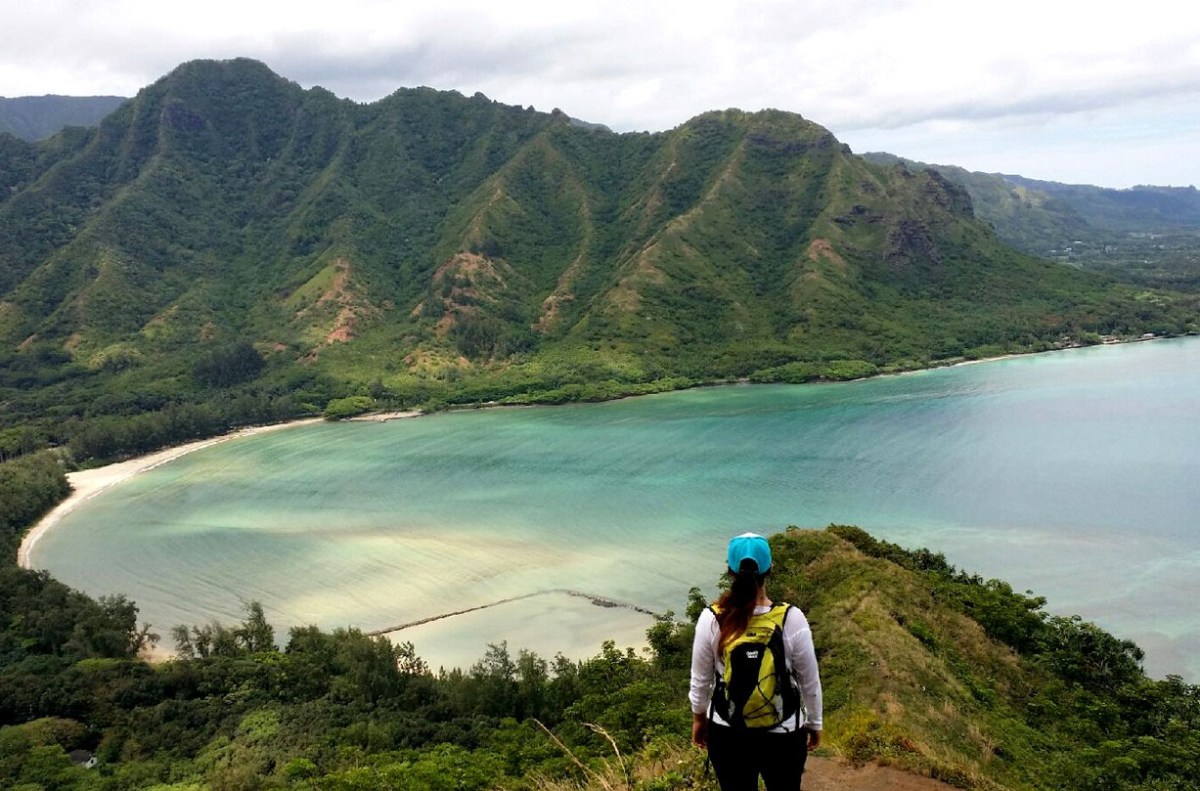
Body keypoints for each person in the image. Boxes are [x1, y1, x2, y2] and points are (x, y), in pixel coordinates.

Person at [689, 532, 823, 791]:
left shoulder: (712, 618)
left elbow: (701, 680)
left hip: (728, 732)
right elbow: (809, 681)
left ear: (730, 571)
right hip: (784, 733)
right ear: (770, 568)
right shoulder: (791, 618)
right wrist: (815, 723)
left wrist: (699, 719)